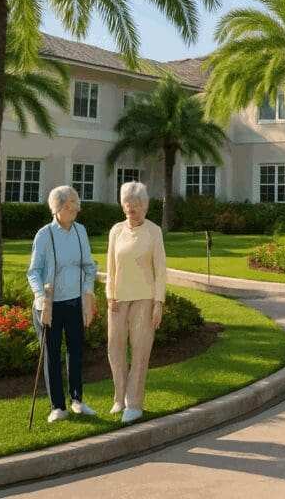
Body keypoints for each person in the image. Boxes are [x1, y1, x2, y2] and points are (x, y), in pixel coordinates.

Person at [26, 185, 99, 423]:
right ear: (58, 207)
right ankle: (57, 406)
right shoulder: (44, 235)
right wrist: (41, 297)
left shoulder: (80, 231)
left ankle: (77, 400)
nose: (76, 207)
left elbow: (89, 266)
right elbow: (34, 272)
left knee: (76, 351)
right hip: (49, 306)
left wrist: (88, 292)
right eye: (71, 204)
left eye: (76, 203)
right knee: (52, 355)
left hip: (74, 302)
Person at [106, 181, 167, 424]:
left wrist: (159, 302)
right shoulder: (116, 231)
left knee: (140, 351)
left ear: (146, 206)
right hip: (118, 299)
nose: (133, 212)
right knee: (115, 348)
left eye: (137, 207)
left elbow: (160, 269)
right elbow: (110, 266)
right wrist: (109, 295)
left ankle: (134, 403)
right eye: (128, 207)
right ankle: (119, 398)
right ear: (123, 207)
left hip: (145, 297)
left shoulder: (154, 231)